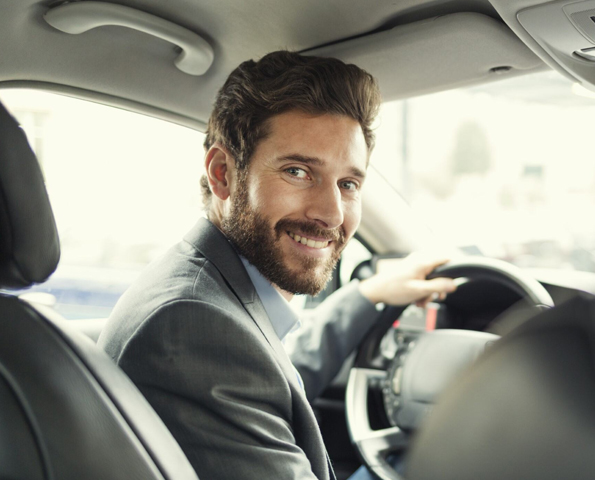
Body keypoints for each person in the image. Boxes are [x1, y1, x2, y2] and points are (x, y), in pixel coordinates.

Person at [98, 51, 456, 480]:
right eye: (298, 171)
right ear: (223, 173)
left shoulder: (210, 296)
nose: (333, 213)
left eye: (348, 184)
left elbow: (273, 376)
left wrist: (368, 295)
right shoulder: (191, 326)